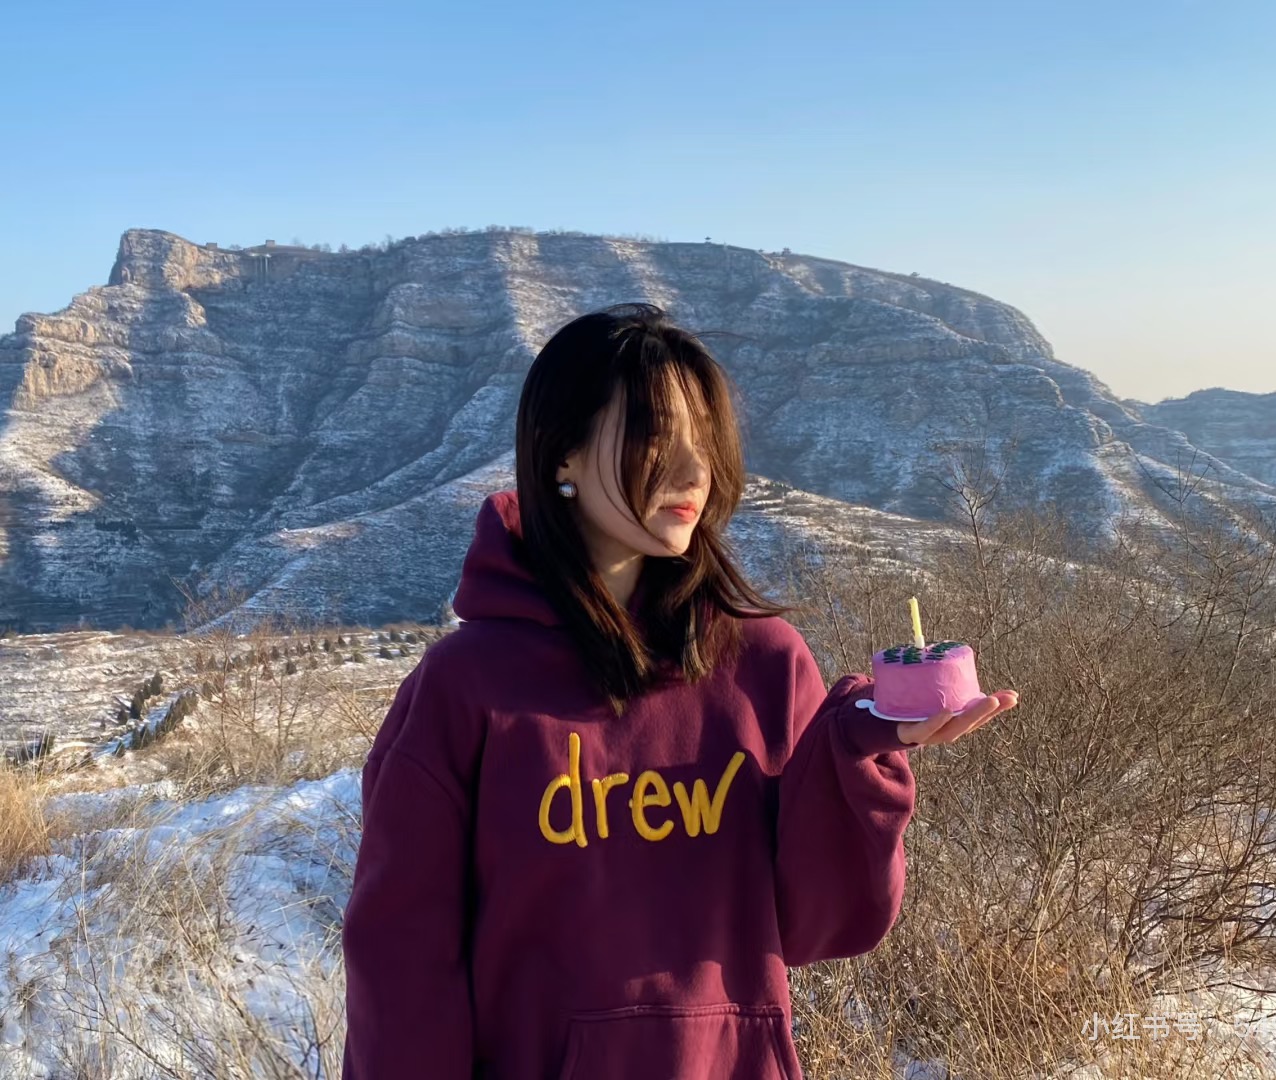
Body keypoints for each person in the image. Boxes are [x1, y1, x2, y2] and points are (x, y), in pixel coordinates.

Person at [340, 303, 1020, 1079]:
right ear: (562, 453)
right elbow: (401, 966)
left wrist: (855, 754)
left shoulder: (765, 663)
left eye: (706, 441)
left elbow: (816, 925)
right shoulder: (465, 690)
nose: (695, 471)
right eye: (655, 436)